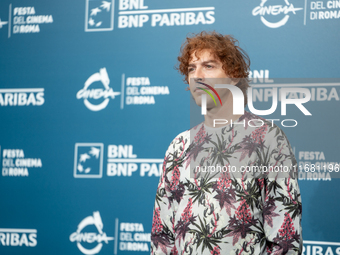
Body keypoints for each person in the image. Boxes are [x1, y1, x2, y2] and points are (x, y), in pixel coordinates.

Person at [150, 31, 302, 255]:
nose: (198, 76)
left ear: (233, 75)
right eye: (192, 69)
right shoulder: (179, 145)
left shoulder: (267, 138)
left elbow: (285, 240)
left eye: (208, 66)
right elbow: (162, 235)